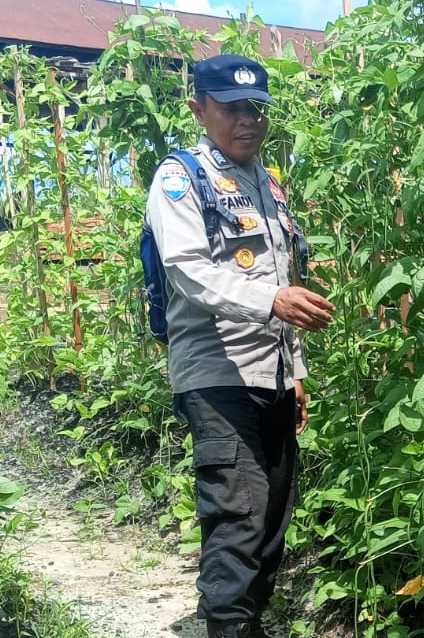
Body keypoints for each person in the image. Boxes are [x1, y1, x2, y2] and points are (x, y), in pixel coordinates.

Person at [144, 54, 336, 638]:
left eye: (257, 109)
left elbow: (282, 271)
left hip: (271, 373)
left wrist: (295, 368)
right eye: (231, 108)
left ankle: (238, 620)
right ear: (199, 109)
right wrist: (272, 302)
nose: (248, 121)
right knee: (239, 517)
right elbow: (187, 271)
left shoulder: (269, 183)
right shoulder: (180, 178)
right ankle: (231, 626)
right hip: (215, 375)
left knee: (272, 518)